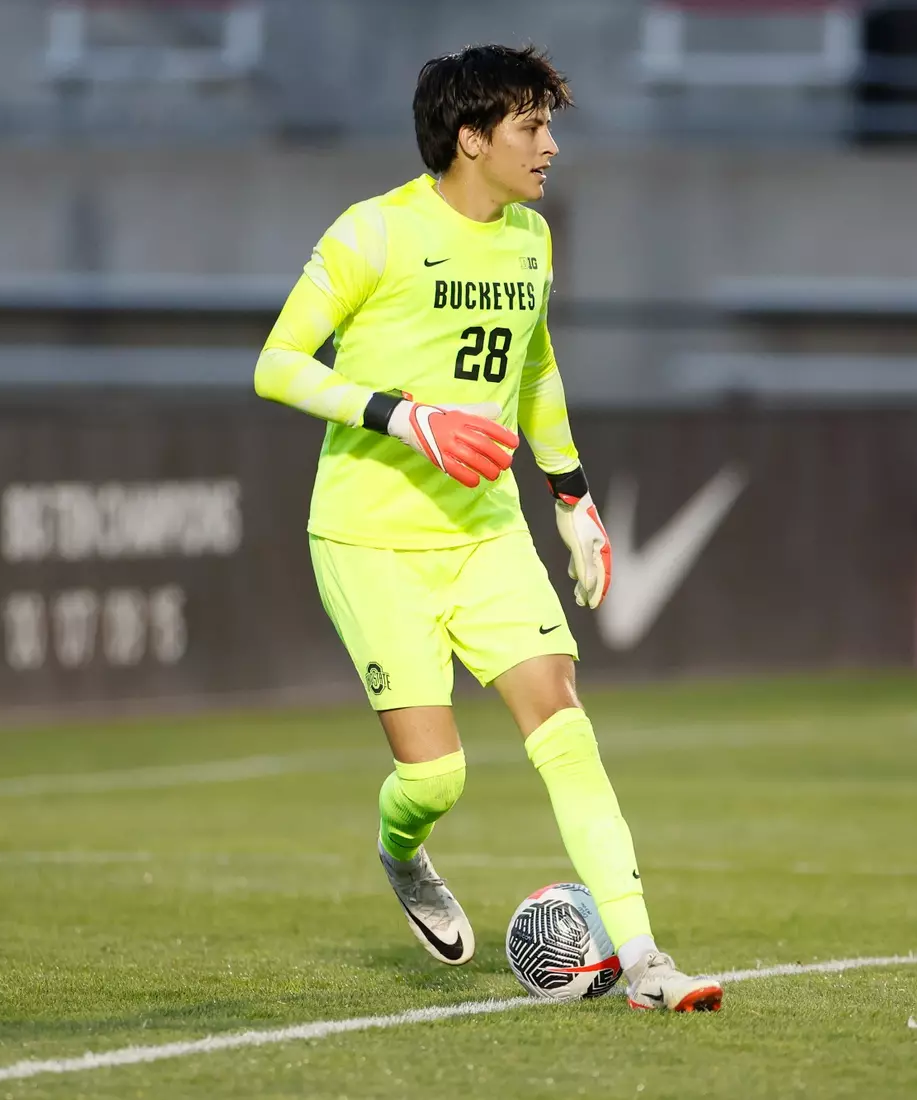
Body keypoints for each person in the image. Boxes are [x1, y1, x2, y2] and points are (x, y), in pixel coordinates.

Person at [252, 43, 722, 1013]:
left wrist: (572, 495)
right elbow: (278, 364)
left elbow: (536, 369)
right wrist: (404, 413)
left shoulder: (529, 240)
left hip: (486, 531)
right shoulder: (372, 234)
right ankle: (402, 848)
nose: (549, 146)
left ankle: (643, 959)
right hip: (370, 538)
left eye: (548, 125)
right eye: (531, 126)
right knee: (436, 775)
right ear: (472, 138)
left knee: (565, 723)